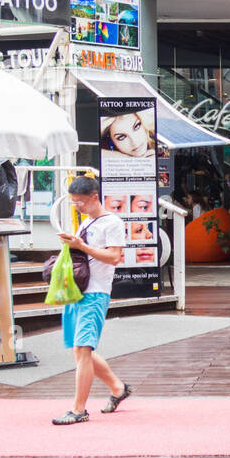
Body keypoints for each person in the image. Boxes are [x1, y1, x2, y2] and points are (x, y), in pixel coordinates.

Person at [52, 176, 131, 426]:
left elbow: (115, 256)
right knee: (79, 350)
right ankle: (118, 388)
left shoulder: (112, 223)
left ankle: (78, 409)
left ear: (95, 197)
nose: (78, 207)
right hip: (78, 290)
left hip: (95, 292)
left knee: (83, 349)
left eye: (81, 203)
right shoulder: (86, 221)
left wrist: (82, 247)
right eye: (74, 203)